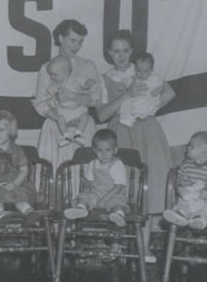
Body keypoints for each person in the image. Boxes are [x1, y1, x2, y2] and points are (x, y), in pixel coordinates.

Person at [96, 31, 175, 262]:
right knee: (120, 188)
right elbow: (101, 115)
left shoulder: (143, 70)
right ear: (109, 53)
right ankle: (117, 245)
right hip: (120, 133)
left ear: (132, 51)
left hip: (148, 133)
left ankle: (145, 246)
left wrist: (149, 106)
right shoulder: (105, 78)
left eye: (126, 50)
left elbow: (169, 92)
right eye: (116, 51)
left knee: (148, 188)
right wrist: (127, 97)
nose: (121, 56)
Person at [34, 19, 102, 189]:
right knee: (55, 177)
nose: (76, 46)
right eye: (73, 40)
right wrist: (58, 118)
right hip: (56, 127)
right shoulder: (47, 68)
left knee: (85, 176)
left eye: (80, 42)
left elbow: (97, 99)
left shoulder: (88, 66)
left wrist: (73, 96)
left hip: (82, 126)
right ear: (60, 38)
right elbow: (41, 103)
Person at [63, 129, 130, 261]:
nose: (104, 154)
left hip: (113, 194)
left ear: (115, 150)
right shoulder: (92, 164)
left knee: (117, 203)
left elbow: (118, 186)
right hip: (96, 194)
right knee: (84, 196)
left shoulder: (117, 164)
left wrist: (104, 200)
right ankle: (81, 209)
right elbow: (88, 183)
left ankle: (118, 215)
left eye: (108, 150)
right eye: (100, 150)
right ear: (94, 151)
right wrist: (87, 193)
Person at [0, 110, 38, 222]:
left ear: (11, 131)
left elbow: (24, 170)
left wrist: (15, 184)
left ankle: (28, 211)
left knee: (21, 195)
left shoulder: (18, 150)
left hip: (13, 183)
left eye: (1, 130)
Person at [32, 55, 94, 147]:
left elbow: (87, 90)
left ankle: (78, 134)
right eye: (50, 75)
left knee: (85, 116)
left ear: (65, 72)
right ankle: (66, 136)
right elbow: (48, 95)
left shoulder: (76, 80)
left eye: (54, 74)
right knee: (60, 119)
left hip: (78, 109)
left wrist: (88, 85)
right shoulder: (54, 85)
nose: (52, 77)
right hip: (64, 111)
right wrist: (41, 99)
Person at [163, 131, 207, 229]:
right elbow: (181, 178)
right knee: (182, 204)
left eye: (192, 146)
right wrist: (181, 188)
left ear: (203, 153)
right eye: (189, 145)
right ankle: (180, 216)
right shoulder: (186, 165)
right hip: (189, 195)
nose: (188, 148)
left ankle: (200, 219)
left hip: (204, 198)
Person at [119, 52, 163, 128]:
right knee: (126, 103)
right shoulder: (134, 78)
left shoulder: (154, 78)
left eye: (145, 71)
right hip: (135, 98)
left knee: (143, 103)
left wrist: (158, 90)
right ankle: (128, 118)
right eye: (139, 70)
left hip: (148, 97)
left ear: (151, 70)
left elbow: (161, 86)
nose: (141, 74)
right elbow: (127, 85)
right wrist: (124, 88)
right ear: (135, 69)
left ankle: (139, 115)